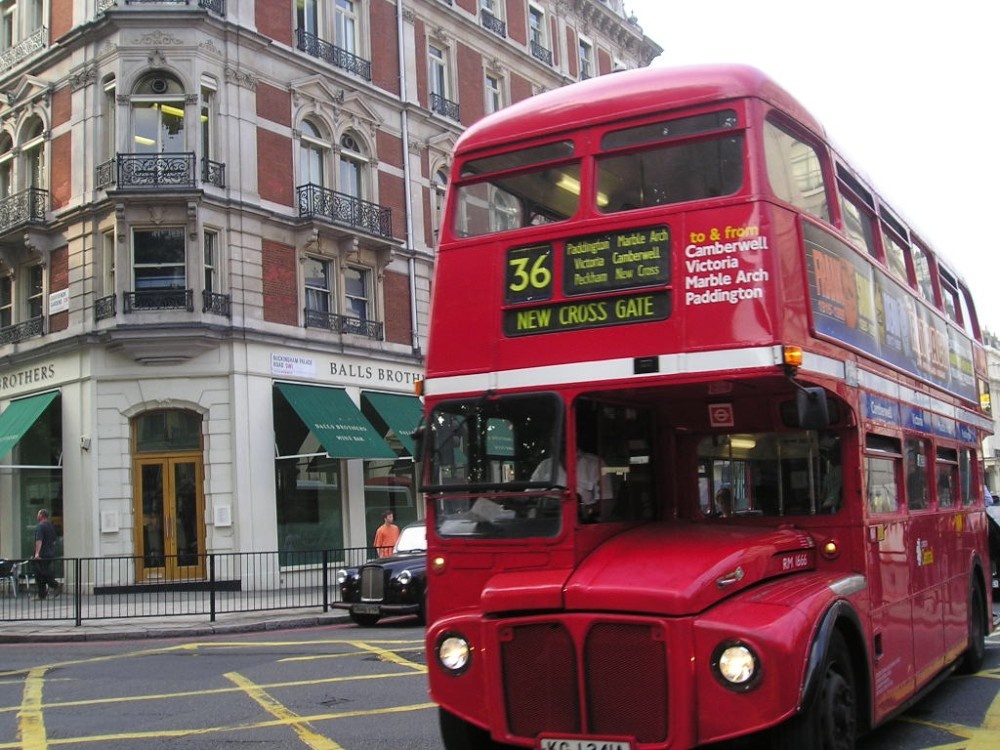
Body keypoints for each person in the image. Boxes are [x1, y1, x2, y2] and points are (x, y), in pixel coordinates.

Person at [33, 509, 61, 599]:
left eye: (38, 514)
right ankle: (42, 594)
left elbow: (39, 540)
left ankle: (54, 585)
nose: (37, 516)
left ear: (41, 515)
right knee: (42, 574)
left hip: (42, 554)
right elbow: (54, 540)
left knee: (41, 574)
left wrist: (37, 553)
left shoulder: (40, 526)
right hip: (50, 553)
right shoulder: (50, 526)